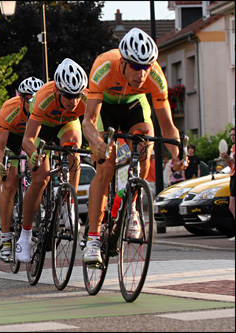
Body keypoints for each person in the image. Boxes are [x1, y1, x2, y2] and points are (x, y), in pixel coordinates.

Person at [82, 27, 187, 264]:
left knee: (145, 141)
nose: (142, 73)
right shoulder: (104, 66)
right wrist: (96, 141)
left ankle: (134, 209)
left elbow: (168, 127)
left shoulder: (155, 76)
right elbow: (88, 120)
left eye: (147, 66)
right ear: (123, 62)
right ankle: (92, 239)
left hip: (133, 106)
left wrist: (177, 155)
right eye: (136, 67)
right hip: (104, 109)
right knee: (106, 166)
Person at [16, 59, 88, 263]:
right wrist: (35, 154)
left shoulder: (85, 98)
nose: (73, 101)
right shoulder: (44, 97)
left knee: (74, 148)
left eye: (77, 95)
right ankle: (26, 234)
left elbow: (92, 124)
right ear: (58, 91)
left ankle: (69, 202)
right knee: (40, 179)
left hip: (66, 124)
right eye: (68, 95)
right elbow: (27, 140)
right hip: (42, 130)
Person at [0, 76, 44, 262]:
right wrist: (2, 165)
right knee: (9, 184)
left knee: (39, 174)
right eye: (29, 99)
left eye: (36, 99)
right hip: (11, 144)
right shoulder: (9, 109)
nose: (33, 103)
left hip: (32, 140)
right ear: (21, 99)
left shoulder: (43, 107)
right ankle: (6, 239)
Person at [220, 127, 235, 241]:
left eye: (234, 134)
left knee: (232, 205)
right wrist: (226, 159)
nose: (232, 137)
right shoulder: (233, 148)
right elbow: (231, 165)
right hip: (233, 176)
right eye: (231, 135)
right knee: (232, 206)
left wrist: (229, 158)